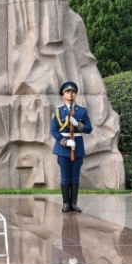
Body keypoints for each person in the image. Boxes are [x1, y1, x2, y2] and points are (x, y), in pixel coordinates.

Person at [50, 81, 93, 212]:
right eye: (68, 92)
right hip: (63, 148)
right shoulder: (58, 111)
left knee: (75, 176)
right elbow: (54, 130)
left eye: (73, 92)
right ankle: (66, 203)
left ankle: (74, 203)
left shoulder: (82, 111)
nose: (71, 94)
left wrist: (78, 125)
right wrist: (64, 141)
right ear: (63, 95)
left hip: (77, 147)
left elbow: (89, 129)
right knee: (65, 176)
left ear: (76, 94)